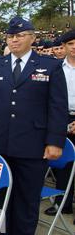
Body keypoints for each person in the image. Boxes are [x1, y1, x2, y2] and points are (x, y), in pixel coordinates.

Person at [0, 16, 68, 235]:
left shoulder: (50, 66)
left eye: (20, 35)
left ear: (33, 38)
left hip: (32, 146)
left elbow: (57, 106)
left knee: (27, 200)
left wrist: (55, 141)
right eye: (10, 36)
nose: (14, 40)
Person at [44, 29, 75, 223]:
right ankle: (63, 203)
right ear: (63, 46)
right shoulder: (56, 68)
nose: (74, 48)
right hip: (60, 117)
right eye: (70, 44)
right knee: (63, 164)